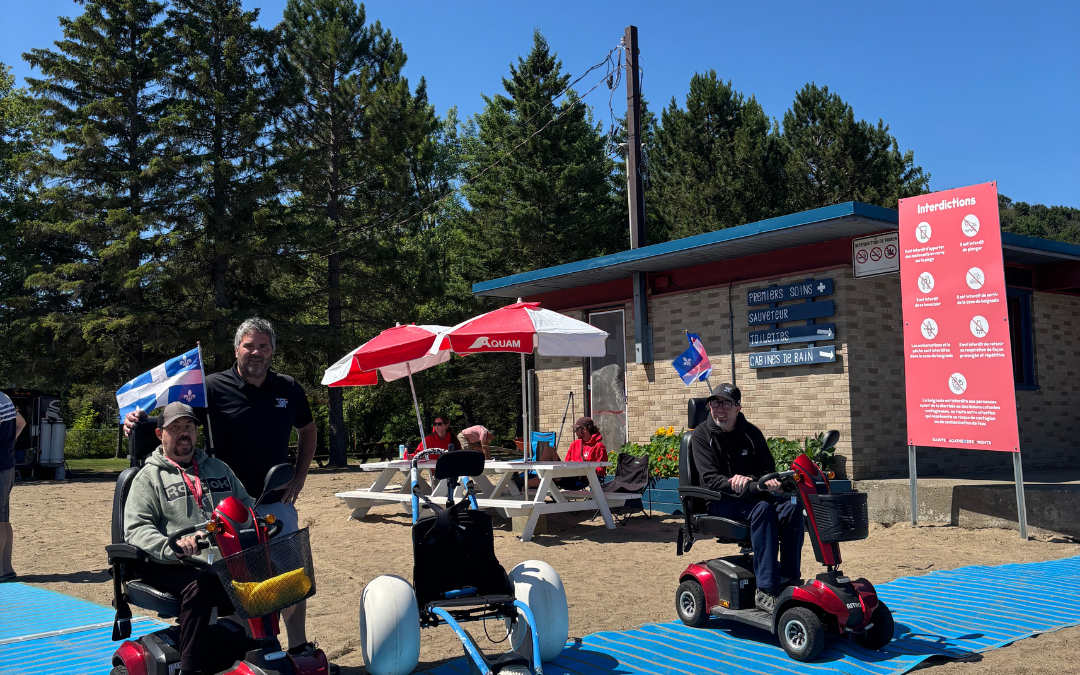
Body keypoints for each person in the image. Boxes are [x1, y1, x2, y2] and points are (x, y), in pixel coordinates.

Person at [125, 318, 320, 658]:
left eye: (263, 346)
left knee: (289, 577)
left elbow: (308, 430)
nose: (256, 352)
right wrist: (135, 419)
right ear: (236, 349)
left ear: (272, 351)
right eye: (249, 345)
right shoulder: (212, 386)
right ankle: (246, 650)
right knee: (237, 581)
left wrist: (300, 476)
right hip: (224, 508)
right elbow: (174, 420)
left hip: (273, 500)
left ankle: (299, 645)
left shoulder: (288, 387)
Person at [125, 402, 252, 675]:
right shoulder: (148, 477)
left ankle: (259, 654)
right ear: (160, 434)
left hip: (220, 559)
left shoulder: (218, 468)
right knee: (201, 584)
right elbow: (136, 528)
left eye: (189, 427)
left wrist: (257, 522)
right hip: (169, 564)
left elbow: (246, 506)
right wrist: (172, 547)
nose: (184, 433)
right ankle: (191, 669)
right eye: (175, 428)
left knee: (267, 572)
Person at [690, 383, 803, 614]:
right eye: (715, 403)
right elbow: (710, 480)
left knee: (792, 507)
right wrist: (735, 482)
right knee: (762, 509)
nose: (719, 409)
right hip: (719, 500)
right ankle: (765, 590)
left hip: (751, 496)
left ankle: (790, 579)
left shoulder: (752, 434)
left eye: (726, 404)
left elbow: (767, 469)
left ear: (738, 408)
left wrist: (767, 481)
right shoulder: (701, 436)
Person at [528, 416, 607, 490]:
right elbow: (567, 462)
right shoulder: (575, 444)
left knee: (548, 477)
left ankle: (523, 484)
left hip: (581, 479)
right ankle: (526, 483)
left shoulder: (599, 447)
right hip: (567, 474)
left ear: (584, 430)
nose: (575, 432)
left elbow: (601, 472)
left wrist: (583, 468)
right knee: (549, 450)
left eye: (576, 429)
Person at [0, 392, 27, 582]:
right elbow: (21, 422)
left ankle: (1, 570)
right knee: (3, 517)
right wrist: (9, 443)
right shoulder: (4, 398)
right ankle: (6, 567)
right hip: (6, 464)